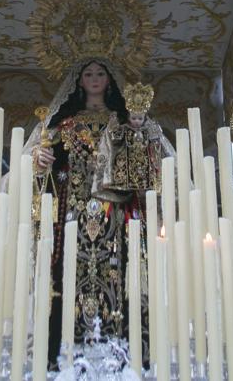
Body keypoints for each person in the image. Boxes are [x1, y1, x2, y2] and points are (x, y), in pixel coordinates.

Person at [28, 59, 163, 364]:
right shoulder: (65, 124)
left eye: (100, 73)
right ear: (79, 82)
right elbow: (44, 167)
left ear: (110, 81)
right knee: (66, 273)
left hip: (114, 213)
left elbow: (142, 159)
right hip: (72, 213)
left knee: (121, 269)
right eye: (88, 74)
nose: (94, 78)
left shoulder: (124, 121)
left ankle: (122, 346)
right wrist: (41, 159)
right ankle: (63, 349)